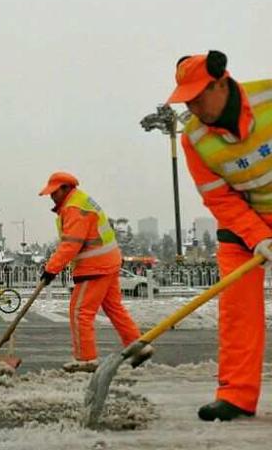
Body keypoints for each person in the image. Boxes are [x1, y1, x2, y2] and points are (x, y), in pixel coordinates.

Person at [166, 50, 272, 421]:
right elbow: (218, 197)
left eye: (198, 97)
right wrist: (258, 235)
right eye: (187, 100)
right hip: (243, 220)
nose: (193, 107)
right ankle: (237, 396)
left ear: (222, 82)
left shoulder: (268, 99)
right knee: (238, 309)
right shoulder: (193, 138)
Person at [39, 172, 154, 372]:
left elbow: (71, 245)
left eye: (54, 192)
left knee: (79, 312)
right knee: (114, 308)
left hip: (94, 267)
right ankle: (138, 347)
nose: (51, 196)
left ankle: (86, 360)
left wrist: (51, 269)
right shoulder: (81, 201)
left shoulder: (75, 208)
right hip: (108, 262)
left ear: (66, 188)